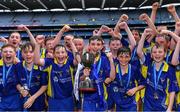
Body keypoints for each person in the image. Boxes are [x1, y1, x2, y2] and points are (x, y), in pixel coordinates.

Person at [34, 35, 80, 111]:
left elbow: (78, 60)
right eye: (57, 53)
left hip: (68, 99)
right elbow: (36, 61)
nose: (60, 55)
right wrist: (38, 44)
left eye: (62, 52)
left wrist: (71, 43)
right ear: (54, 54)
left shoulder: (70, 62)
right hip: (53, 100)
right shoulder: (49, 62)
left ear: (66, 54)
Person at [137, 29, 179, 111]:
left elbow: (172, 90)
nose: (157, 54)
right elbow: (139, 52)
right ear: (151, 55)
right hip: (148, 104)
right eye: (155, 52)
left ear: (165, 54)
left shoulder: (170, 69)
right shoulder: (148, 64)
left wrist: (169, 108)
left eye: (160, 52)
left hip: (163, 105)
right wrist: (143, 35)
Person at [79, 36, 115, 111]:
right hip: (88, 98)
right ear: (89, 45)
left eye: (98, 44)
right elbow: (79, 79)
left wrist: (111, 61)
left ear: (102, 46)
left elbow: (112, 77)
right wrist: (84, 76)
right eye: (93, 44)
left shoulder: (105, 59)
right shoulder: (84, 58)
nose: (95, 47)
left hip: (101, 97)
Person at [107, 47, 145, 111]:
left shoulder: (134, 69)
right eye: (121, 56)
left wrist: (135, 89)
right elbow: (109, 81)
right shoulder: (113, 69)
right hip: (117, 103)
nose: (124, 59)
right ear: (117, 57)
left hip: (131, 104)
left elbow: (144, 83)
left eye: (126, 57)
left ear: (130, 57)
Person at [16, 43, 47, 111]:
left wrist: (33, 98)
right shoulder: (18, 66)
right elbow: (17, 82)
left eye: (31, 52)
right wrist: (21, 89)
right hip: (23, 102)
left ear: (35, 53)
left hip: (38, 102)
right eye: (25, 52)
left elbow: (44, 85)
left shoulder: (40, 66)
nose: (28, 54)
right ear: (21, 54)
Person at [0, 44, 21, 110]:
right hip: (1, 99)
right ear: (1, 54)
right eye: (5, 52)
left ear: (15, 54)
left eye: (10, 51)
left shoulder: (19, 66)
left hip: (15, 100)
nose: (8, 53)